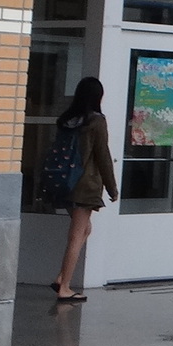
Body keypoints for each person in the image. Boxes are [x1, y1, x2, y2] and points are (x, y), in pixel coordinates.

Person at [50, 78, 117, 302]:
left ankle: (61, 277)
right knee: (76, 236)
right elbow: (103, 156)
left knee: (85, 229)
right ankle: (65, 287)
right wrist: (112, 187)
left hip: (65, 183)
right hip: (85, 186)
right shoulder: (96, 121)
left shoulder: (67, 120)